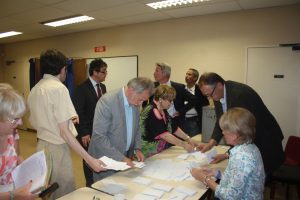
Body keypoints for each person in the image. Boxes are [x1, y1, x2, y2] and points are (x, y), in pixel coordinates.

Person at [27, 49, 106, 199]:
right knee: (64, 193)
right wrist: (90, 160)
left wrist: (70, 118)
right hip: (57, 150)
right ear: (63, 69)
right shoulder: (59, 89)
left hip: (42, 147)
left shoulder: (36, 89)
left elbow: (40, 119)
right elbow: (64, 132)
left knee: (49, 191)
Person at [197, 72, 284, 176]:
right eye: (206, 96)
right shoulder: (217, 94)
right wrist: (211, 143)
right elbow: (221, 120)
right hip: (249, 143)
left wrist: (228, 154)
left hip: (264, 140)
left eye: (209, 94)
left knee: (257, 179)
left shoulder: (241, 95)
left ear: (219, 85)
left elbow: (244, 132)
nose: (210, 98)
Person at [88, 77, 154, 181]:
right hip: (107, 159)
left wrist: (137, 148)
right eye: (141, 99)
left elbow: (136, 128)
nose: (140, 104)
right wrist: (121, 158)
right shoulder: (107, 101)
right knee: (107, 190)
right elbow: (99, 137)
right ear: (131, 90)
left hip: (125, 156)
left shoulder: (134, 101)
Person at [191, 107, 265, 200]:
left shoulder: (241, 158)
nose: (222, 132)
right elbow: (237, 180)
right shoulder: (250, 146)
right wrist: (216, 173)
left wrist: (205, 179)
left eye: (225, 130)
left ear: (234, 135)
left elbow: (229, 196)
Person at [72, 58, 107, 187]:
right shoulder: (81, 88)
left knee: (100, 156)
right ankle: (90, 184)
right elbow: (78, 112)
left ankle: (99, 180)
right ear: (95, 72)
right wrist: (84, 133)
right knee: (88, 159)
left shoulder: (102, 87)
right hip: (87, 132)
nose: (106, 74)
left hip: (100, 131)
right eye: (103, 72)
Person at [140, 85, 199, 157]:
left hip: (159, 150)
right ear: (161, 99)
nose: (171, 103)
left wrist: (188, 139)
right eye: (170, 100)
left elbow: (174, 127)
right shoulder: (151, 110)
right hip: (146, 152)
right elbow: (165, 135)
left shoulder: (163, 110)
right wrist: (184, 145)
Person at [0, 84, 36, 200]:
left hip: (12, 188)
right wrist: (13, 195)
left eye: (20, 117)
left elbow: (17, 157)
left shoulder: (13, 133)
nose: (20, 123)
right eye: (14, 118)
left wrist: (35, 176)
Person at [149, 63, 197, 132]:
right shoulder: (152, 86)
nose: (154, 73)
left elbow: (193, 99)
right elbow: (146, 102)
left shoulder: (179, 87)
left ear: (164, 73)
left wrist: (180, 111)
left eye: (157, 71)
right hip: (157, 122)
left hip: (175, 122)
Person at [183, 68, 209, 136]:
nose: (186, 76)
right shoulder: (181, 88)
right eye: (186, 74)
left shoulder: (200, 90)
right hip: (182, 120)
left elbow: (205, 105)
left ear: (195, 78)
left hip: (194, 121)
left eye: (189, 74)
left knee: (194, 140)